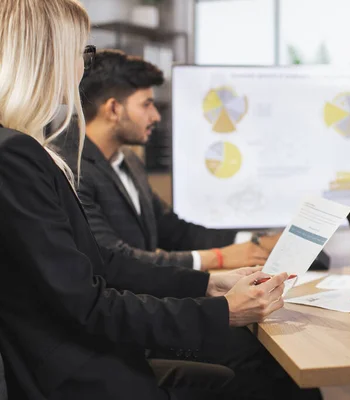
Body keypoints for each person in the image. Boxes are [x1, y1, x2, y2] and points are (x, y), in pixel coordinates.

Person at [0, 1, 321, 399]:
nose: (82, 68)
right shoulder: (18, 156)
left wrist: (207, 283)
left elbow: (107, 263)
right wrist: (224, 308)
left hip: (96, 353)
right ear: (46, 56)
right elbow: (89, 301)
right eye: (80, 52)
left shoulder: (40, 153)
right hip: (80, 376)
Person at [55, 49, 280, 271]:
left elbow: (175, 232)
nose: (156, 116)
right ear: (114, 109)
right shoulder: (68, 167)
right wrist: (216, 258)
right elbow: (112, 257)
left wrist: (252, 241)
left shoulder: (129, 161)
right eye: (146, 104)